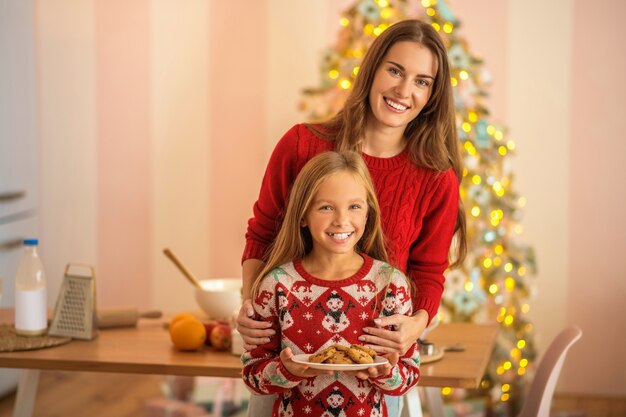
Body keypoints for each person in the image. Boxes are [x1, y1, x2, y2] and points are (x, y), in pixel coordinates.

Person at [238, 19, 467, 416]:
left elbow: (429, 273)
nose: (403, 90)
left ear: (432, 95)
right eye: (395, 70)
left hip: (373, 375)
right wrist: (251, 306)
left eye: (422, 81)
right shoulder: (300, 145)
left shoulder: (436, 178)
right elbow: (262, 234)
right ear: (373, 69)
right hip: (287, 367)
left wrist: (414, 326)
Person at [241, 151, 421, 417]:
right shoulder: (277, 285)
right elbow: (251, 374)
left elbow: (410, 374)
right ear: (303, 215)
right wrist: (285, 371)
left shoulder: (390, 284)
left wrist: (386, 374)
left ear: (368, 212)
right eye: (326, 207)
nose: (341, 220)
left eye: (354, 206)